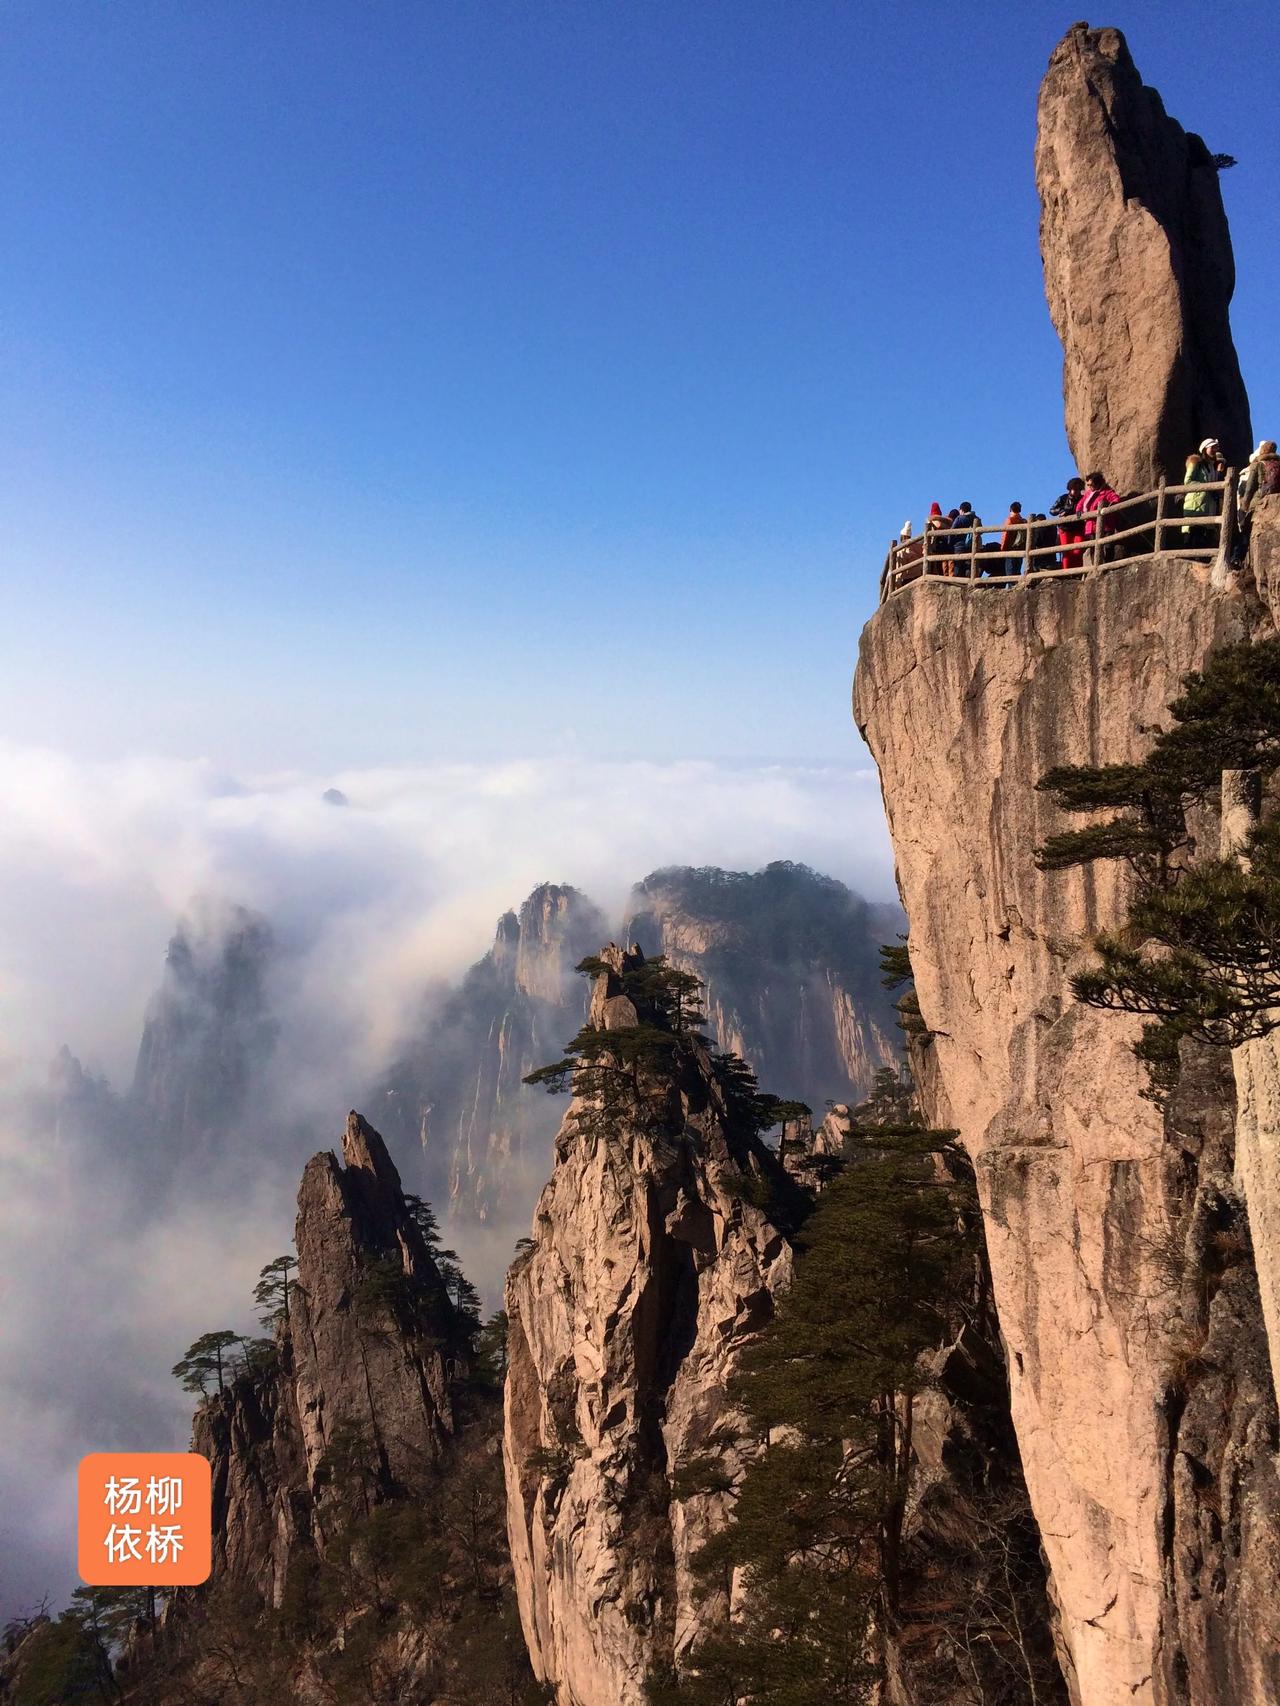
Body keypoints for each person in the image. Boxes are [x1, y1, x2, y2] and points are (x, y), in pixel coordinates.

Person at [1183, 438, 1224, 541]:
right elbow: (1188, 481)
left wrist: (1219, 473)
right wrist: (1206, 487)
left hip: (1209, 508)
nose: (1215, 450)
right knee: (1191, 539)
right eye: (1212, 447)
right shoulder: (1196, 462)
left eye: (1216, 448)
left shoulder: (1213, 467)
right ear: (1205, 449)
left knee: (1204, 540)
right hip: (1196, 505)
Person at [1078, 471, 1120, 560]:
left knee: (1108, 545)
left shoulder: (1107, 492)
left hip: (1106, 525)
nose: (1089, 487)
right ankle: (1096, 567)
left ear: (1098, 483)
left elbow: (1116, 499)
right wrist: (1079, 513)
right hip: (1091, 526)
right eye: (1088, 485)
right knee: (1093, 547)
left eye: (1091, 485)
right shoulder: (1088, 494)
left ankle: (1108, 565)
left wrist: (1109, 506)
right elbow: (1080, 504)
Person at [1051, 477, 1086, 569]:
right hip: (1065, 528)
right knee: (1066, 551)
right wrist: (1062, 510)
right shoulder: (1063, 498)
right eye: (1074, 489)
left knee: (1078, 551)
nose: (1076, 492)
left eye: (1078, 489)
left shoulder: (1083, 499)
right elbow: (1052, 510)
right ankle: (1066, 572)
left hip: (1079, 528)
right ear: (1070, 489)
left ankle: (1077, 572)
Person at [1240, 441, 1280, 513]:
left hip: (1260, 499)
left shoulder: (1258, 464)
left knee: (1248, 520)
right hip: (1277, 500)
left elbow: (1250, 487)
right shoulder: (1278, 464)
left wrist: (1244, 505)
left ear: (1263, 450)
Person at [952, 501, 982, 576]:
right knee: (971, 564)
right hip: (974, 545)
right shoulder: (977, 519)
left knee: (959, 565)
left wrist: (950, 542)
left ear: (961, 510)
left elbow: (952, 531)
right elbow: (981, 531)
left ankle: (958, 582)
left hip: (960, 545)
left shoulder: (959, 518)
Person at [998, 501, 1026, 575]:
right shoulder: (1023, 521)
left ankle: (1011, 586)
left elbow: (1005, 535)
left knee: (1010, 571)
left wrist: (1002, 548)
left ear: (1010, 509)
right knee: (1017, 569)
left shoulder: (1009, 520)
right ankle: (1017, 586)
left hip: (1010, 548)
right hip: (1020, 547)